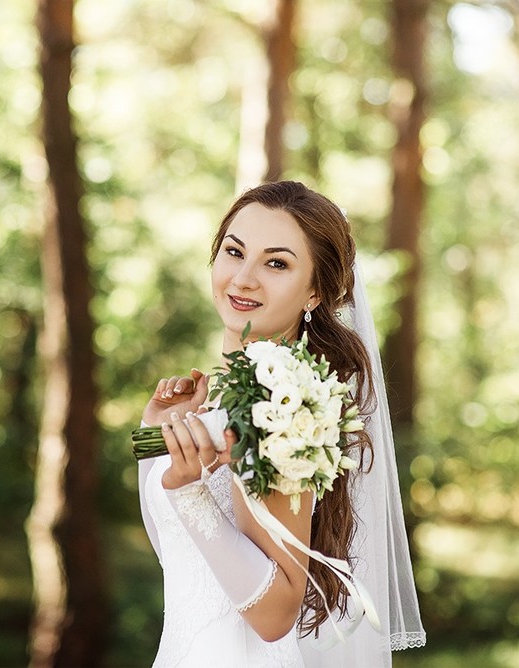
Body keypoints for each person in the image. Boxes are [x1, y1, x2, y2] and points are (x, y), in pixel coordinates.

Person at [138, 181, 425, 667]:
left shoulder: (283, 407)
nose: (244, 278)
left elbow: (275, 615)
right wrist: (155, 439)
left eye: (276, 263)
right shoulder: (225, 398)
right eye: (234, 252)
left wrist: (189, 493)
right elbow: (180, 560)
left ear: (314, 291)